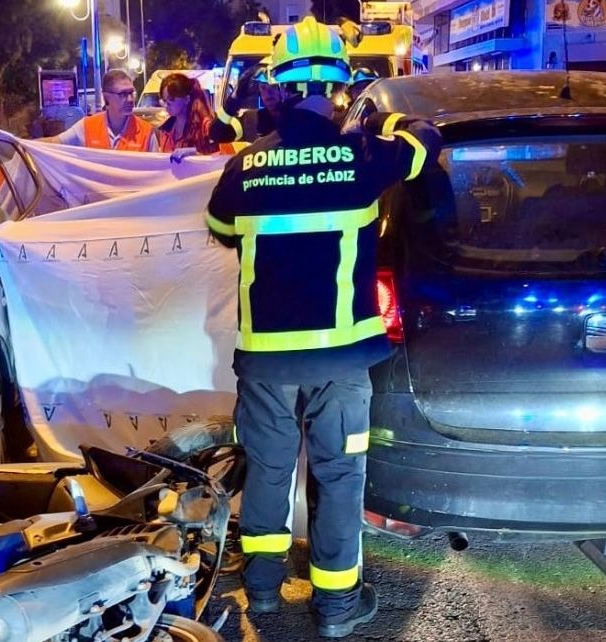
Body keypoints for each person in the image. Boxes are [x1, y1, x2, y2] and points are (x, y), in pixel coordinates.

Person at [205, 16, 440, 639]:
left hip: (266, 363)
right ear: (340, 87)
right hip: (340, 361)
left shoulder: (245, 166)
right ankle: (336, 610)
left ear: (275, 87)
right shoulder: (365, 153)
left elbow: (221, 229)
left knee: (268, 471)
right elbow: (427, 143)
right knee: (338, 477)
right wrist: (385, 122)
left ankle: (261, 594)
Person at [47, 69, 157, 152]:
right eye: (123, 94)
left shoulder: (146, 132)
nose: (130, 99)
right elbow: (54, 142)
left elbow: (157, 173)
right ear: (106, 97)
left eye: (131, 93)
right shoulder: (87, 126)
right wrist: (29, 146)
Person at [210, 58, 282, 149]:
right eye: (263, 87)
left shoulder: (299, 119)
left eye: (273, 87)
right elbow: (216, 134)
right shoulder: (251, 120)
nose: (268, 94)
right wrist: (234, 99)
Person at [156, 73, 218, 155]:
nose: (167, 105)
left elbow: (219, 160)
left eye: (171, 99)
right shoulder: (165, 130)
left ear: (186, 99)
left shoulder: (205, 127)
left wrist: (196, 155)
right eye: (164, 100)